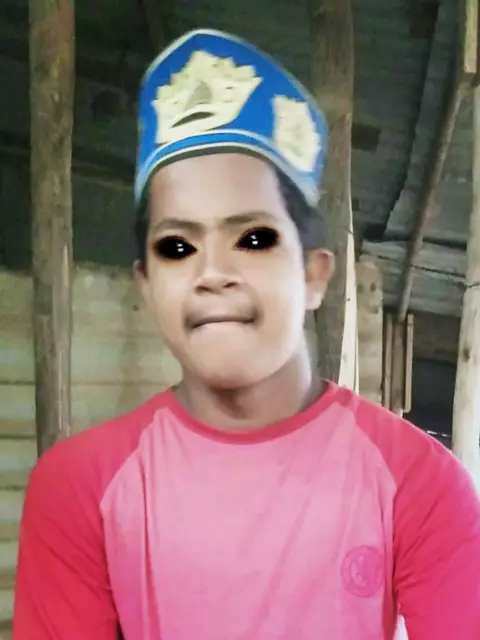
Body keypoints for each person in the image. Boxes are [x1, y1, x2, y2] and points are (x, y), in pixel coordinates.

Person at [13, 29, 480, 640]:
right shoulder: (79, 487)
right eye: (176, 246)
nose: (212, 272)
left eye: (253, 238)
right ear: (146, 285)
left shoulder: (419, 483)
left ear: (313, 275)